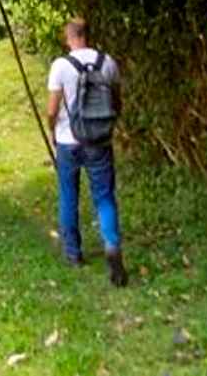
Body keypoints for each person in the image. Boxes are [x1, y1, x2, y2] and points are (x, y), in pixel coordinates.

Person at [46, 18, 128, 287]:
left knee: (69, 195)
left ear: (68, 37)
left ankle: (73, 254)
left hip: (68, 143)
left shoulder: (60, 66)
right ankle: (112, 246)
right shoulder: (108, 62)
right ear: (87, 35)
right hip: (100, 140)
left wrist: (53, 132)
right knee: (104, 197)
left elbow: (52, 109)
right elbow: (117, 103)